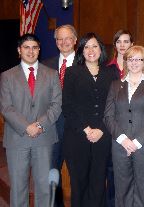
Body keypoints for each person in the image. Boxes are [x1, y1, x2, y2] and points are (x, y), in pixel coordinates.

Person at [0, 34, 62, 207]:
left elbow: (56, 105)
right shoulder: (7, 76)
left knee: (44, 187)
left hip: (44, 138)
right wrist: (27, 127)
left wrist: (40, 125)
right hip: (17, 138)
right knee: (19, 187)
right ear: (19, 51)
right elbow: (6, 107)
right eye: (26, 47)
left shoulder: (51, 75)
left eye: (34, 47)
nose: (31, 51)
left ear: (39, 50)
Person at [104, 45, 144, 207]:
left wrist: (137, 142)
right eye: (130, 59)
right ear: (126, 61)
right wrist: (123, 140)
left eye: (138, 59)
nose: (134, 62)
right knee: (122, 190)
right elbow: (108, 116)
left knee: (143, 190)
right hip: (120, 146)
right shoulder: (116, 85)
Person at [62, 32, 116, 207]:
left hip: (103, 135)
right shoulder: (72, 72)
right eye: (86, 46)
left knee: (99, 182)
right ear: (81, 51)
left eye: (95, 46)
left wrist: (101, 129)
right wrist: (86, 129)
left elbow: (114, 105)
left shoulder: (111, 73)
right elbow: (68, 106)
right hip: (78, 136)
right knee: (79, 183)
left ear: (101, 50)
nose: (91, 50)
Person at [42, 24, 78, 207]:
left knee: (78, 175)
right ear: (56, 42)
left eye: (67, 38)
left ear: (75, 40)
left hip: (78, 130)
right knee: (52, 173)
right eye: (59, 39)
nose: (64, 42)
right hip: (52, 130)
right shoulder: (45, 65)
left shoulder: (86, 63)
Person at [105, 29, 134, 207]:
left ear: (132, 44)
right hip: (113, 128)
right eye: (119, 41)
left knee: (133, 173)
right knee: (112, 171)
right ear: (115, 45)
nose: (122, 45)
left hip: (134, 128)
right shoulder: (107, 70)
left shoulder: (140, 68)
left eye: (126, 41)